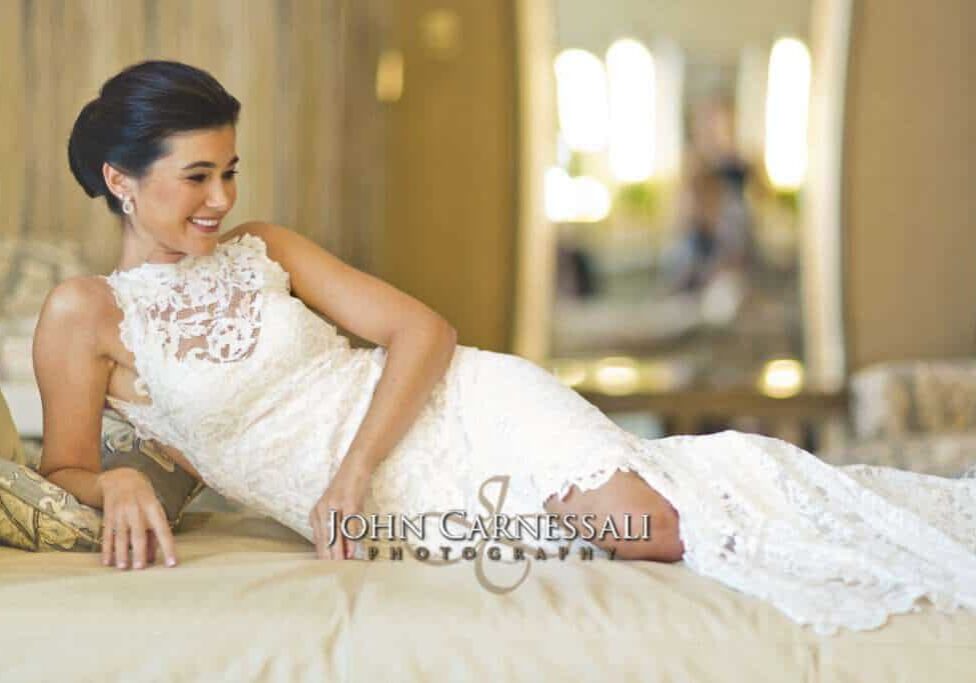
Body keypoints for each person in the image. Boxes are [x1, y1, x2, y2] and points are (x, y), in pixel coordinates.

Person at [34, 60, 974, 635]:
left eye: (229, 170)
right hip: (415, 506)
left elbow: (422, 331)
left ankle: (913, 523)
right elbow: (69, 460)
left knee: (658, 524)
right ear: (121, 179)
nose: (221, 199)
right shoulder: (84, 315)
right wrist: (117, 479)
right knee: (650, 528)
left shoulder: (266, 249)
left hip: (459, 413)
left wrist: (351, 475)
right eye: (196, 176)